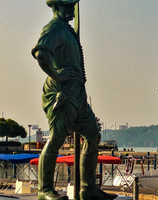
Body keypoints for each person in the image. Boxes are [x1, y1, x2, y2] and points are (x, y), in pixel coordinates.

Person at [31, 0, 116, 199]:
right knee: (56, 138)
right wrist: (57, 75)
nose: (72, 11)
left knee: (93, 135)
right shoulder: (53, 29)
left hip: (77, 93)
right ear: (56, 7)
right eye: (68, 7)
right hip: (62, 92)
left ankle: (88, 188)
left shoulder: (67, 30)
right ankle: (45, 190)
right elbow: (40, 53)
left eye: (72, 7)